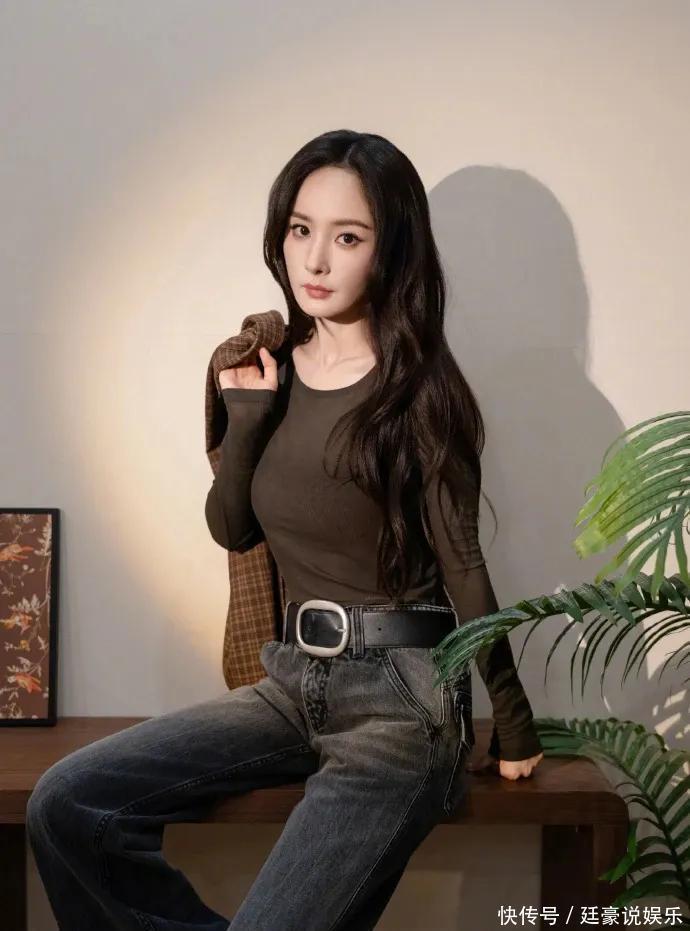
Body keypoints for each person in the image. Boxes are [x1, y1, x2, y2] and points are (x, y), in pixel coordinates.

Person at [26, 129, 543, 931]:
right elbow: (233, 529)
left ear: (391, 249)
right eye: (302, 230)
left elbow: (465, 565)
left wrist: (512, 719)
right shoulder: (271, 369)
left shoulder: (421, 393)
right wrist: (246, 419)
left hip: (404, 704)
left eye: (348, 237)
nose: (317, 260)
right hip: (292, 681)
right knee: (67, 803)